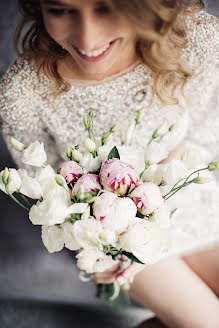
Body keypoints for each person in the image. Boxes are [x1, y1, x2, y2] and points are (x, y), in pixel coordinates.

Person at [0, 0, 219, 327]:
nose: (87, 40)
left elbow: (206, 131)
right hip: (114, 237)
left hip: (194, 205)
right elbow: (45, 189)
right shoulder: (22, 92)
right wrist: (100, 249)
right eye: (60, 10)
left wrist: (158, 202)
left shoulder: (196, 41)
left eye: (106, 8)